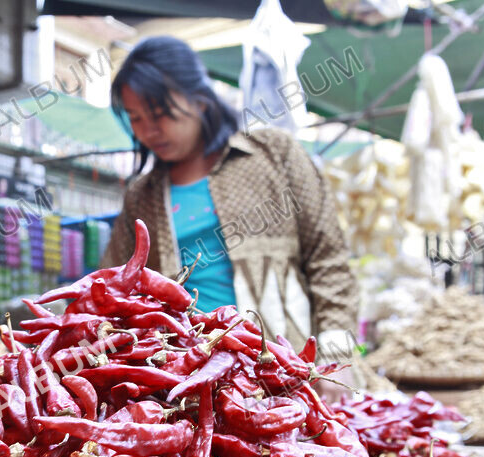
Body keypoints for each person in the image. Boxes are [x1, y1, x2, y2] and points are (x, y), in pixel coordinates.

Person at [101, 36, 358, 361]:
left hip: (281, 366)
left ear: (201, 100)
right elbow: (113, 288)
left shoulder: (275, 155)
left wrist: (335, 352)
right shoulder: (142, 196)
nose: (148, 131)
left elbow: (329, 259)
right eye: (135, 118)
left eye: (159, 113)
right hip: (184, 379)